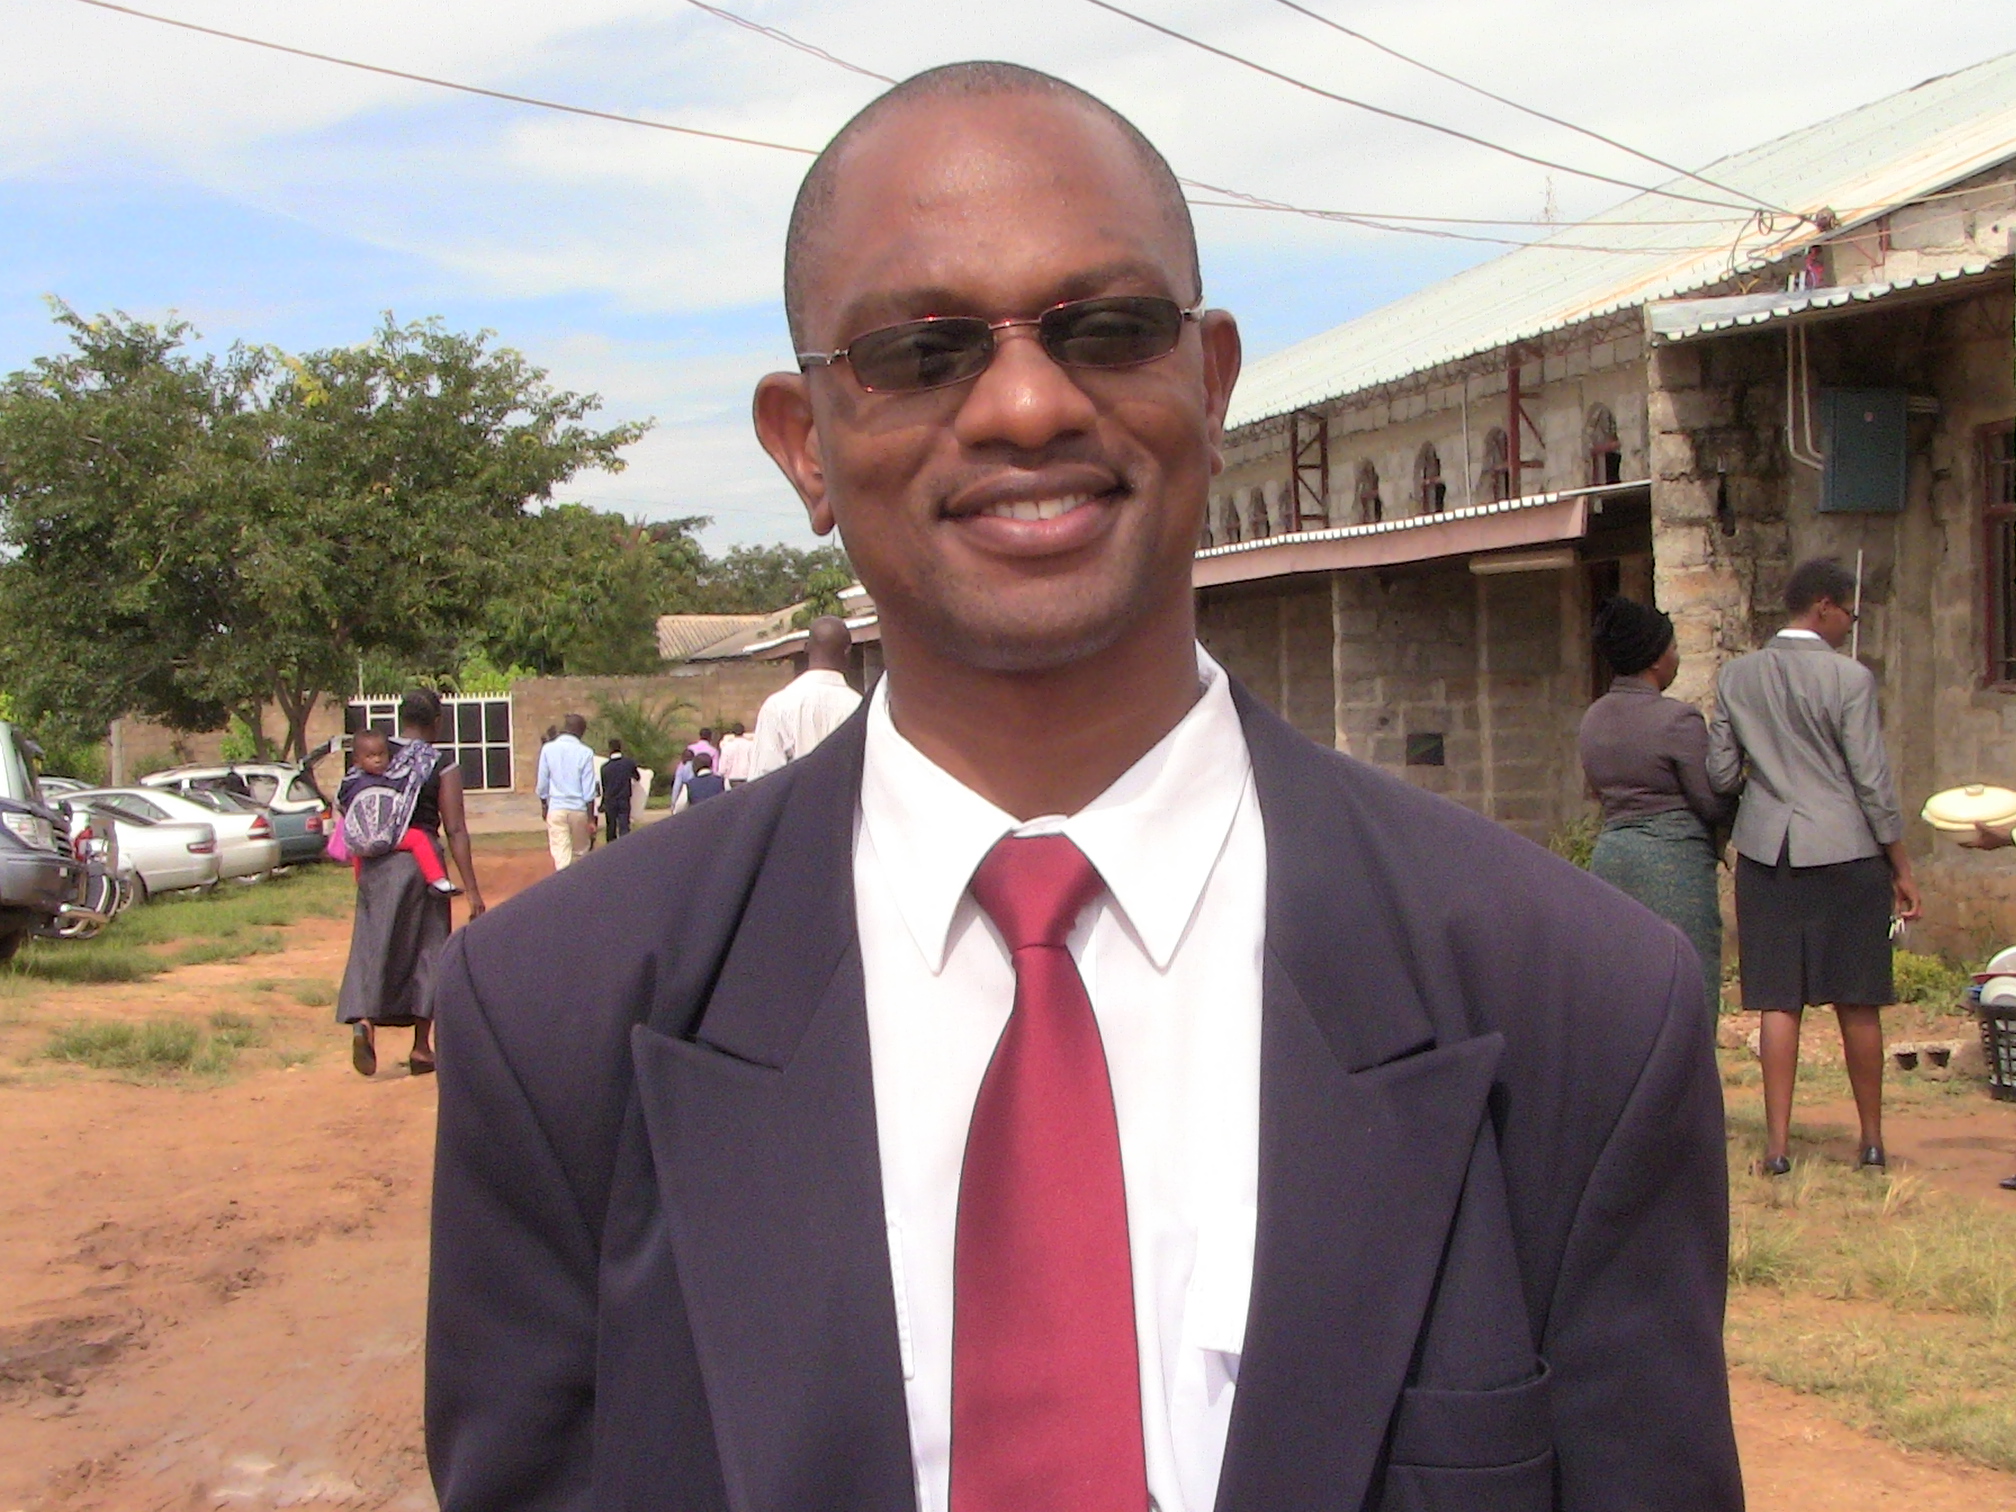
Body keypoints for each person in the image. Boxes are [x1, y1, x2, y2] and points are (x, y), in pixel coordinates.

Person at [429, 64, 1739, 1512]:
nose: (1027, 404)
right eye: (921, 351)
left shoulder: (1576, 1004)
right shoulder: (558, 1019)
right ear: (804, 444)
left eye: (1106, 329)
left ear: (1212, 384)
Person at [1710, 556, 1922, 1178]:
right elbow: (1871, 780)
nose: (1850, 624)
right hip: (1846, 850)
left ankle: (1777, 1148)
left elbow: (1720, 772)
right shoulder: (1849, 679)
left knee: (1778, 1001)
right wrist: (1901, 864)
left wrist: (1759, 789)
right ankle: (1872, 1142)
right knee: (1859, 1000)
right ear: (1824, 606)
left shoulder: (1737, 676)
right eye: (1849, 613)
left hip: (1768, 852)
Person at [1578, 597, 1731, 1009]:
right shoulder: (1677, 720)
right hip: (1671, 866)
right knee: (1685, 983)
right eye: (1674, 648)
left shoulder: (1593, 719)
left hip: (1611, 860)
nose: (1677, 657)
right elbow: (1710, 802)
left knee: (1627, 988)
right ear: (1656, 659)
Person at [336, 689, 484, 1078]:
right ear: (437, 722)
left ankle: (364, 1022)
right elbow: (455, 828)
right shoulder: (439, 763)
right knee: (428, 950)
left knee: (372, 944)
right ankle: (421, 1047)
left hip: (375, 863)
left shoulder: (378, 754)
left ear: (401, 719)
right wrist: (471, 890)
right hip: (421, 863)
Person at [337, 730, 459, 895]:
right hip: (388, 837)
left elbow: (342, 805)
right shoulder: (393, 779)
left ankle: (361, 881)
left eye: (381, 754)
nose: (377, 760)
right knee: (419, 839)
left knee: (358, 850)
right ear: (357, 761)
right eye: (370, 756)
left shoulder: (350, 783)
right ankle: (437, 879)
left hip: (371, 839)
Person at [748, 615, 862, 777]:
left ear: (806, 647)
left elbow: (763, 776)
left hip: (793, 793)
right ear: (848, 651)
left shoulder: (777, 706)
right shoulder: (860, 707)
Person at [534, 712, 597, 870]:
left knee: (561, 855)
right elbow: (589, 790)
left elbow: (542, 783)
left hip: (556, 808)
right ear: (580, 731)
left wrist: (544, 806)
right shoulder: (586, 752)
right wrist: (591, 818)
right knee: (581, 853)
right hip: (578, 810)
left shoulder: (548, 749)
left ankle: (564, 882)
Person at [599, 738, 642, 843]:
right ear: (620, 748)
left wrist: (602, 804)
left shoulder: (605, 768)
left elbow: (604, 787)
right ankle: (625, 847)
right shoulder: (629, 763)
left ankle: (611, 848)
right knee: (624, 826)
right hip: (624, 799)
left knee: (611, 827)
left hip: (610, 801)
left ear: (610, 749)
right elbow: (637, 777)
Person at [669, 749, 725, 814]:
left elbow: (679, 808)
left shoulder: (689, 786)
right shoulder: (722, 781)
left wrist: (673, 805)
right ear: (711, 765)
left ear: (695, 766)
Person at [716, 721, 755, 788]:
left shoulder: (727, 746)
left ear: (732, 732)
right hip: (746, 777)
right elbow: (753, 761)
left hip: (731, 778)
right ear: (743, 732)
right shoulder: (750, 745)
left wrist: (721, 773)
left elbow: (723, 765)